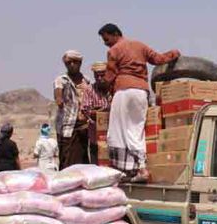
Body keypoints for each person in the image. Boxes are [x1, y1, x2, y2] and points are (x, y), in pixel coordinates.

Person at [98, 23, 180, 181]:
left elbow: (110, 76)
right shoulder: (139, 45)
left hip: (123, 92)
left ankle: (123, 170)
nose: (105, 43)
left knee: (117, 131)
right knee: (136, 130)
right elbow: (159, 59)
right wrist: (173, 53)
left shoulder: (114, 51)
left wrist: (101, 86)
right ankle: (141, 169)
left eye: (106, 39)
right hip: (141, 92)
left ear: (115, 34)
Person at [54, 49, 92, 170]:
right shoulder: (61, 80)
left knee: (82, 158)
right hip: (67, 127)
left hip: (84, 127)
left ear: (80, 63)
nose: (71, 65)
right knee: (66, 160)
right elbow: (58, 95)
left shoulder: (86, 81)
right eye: (68, 63)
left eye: (74, 62)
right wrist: (59, 99)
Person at [81, 61, 113, 164]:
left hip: (112, 136)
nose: (99, 79)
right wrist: (96, 113)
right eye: (97, 76)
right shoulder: (90, 90)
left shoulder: (114, 88)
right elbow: (85, 109)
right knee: (96, 165)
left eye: (102, 75)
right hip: (96, 136)